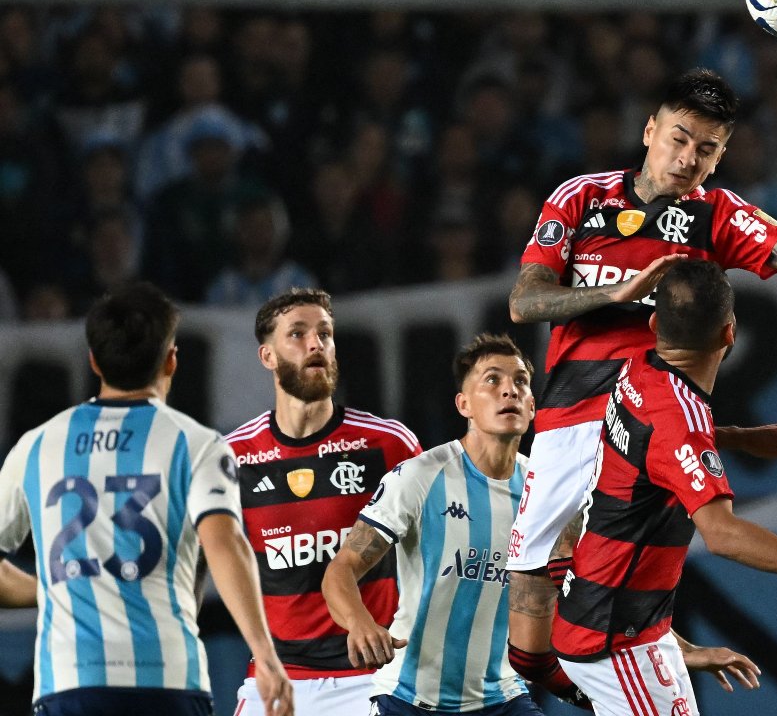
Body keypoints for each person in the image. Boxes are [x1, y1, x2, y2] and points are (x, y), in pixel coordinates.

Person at [506, 67, 777, 702]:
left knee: (626, 585)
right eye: (680, 138)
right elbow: (524, 302)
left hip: (650, 421)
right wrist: (613, 293)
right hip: (569, 423)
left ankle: (639, 683)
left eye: (708, 148)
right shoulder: (582, 199)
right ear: (649, 130)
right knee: (531, 639)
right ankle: (626, 689)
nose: (689, 159)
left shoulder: (717, 214)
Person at [552, 259, 777, 714]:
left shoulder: (639, 367)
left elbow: (655, 439)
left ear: (653, 324)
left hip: (608, 616)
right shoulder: (678, 419)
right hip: (616, 638)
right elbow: (722, 535)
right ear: (730, 334)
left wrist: (736, 437)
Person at [0, 281, 293, 716]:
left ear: (94, 362)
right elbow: (224, 543)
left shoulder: (37, 446)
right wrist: (265, 656)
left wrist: (56, 589)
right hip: (167, 680)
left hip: (69, 683)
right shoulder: (196, 445)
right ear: (172, 360)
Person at [320, 333, 543, 715]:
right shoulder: (421, 477)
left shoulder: (543, 490)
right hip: (410, 698)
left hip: (503, 697)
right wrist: (360, 623)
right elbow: (340, 570)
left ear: (533, 405)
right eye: (492, 380)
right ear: (464, 404)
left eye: (520, 381)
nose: (510, 390)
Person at [225, 288, 422, 715]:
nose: (316, 344)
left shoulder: (389, 445)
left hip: (370, 677)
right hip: (277, 678)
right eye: (297, 334)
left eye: (325, 334)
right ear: (268, 357)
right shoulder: (231, 457)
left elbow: (439, 544)